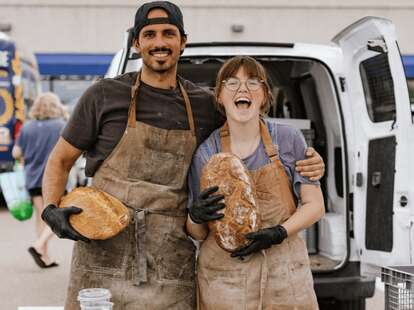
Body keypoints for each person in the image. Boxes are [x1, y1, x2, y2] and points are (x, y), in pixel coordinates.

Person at [40, 1, 324, 309]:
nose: (159, 42)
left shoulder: (204, 106)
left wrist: (310, 161)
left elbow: (249, 127)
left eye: (168, 33)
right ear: (137, 43)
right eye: (149, 35)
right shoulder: (103, 95)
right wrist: (51, 210)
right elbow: (60, 160)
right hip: (103, 255)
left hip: (169, 261)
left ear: (182, 41)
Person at [186, 56, 325, 309]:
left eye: (253, 82)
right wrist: (195, 216)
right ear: (218, 96)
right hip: (225, 281)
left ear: (265, 95)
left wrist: (279, 232)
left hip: (285, 274)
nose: (242, 89)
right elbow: (198, 233)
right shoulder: (206, 153)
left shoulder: (288, 139)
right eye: (232, 83)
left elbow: (314, 205)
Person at [12, 92, 67, 268]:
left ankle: (44, 256)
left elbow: (16, 153)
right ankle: (38, 246)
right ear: (56, 106)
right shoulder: (61, 125)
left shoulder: (27, 127)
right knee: (59, 216)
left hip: (33, 178)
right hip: (55, 178)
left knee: (42, 216)